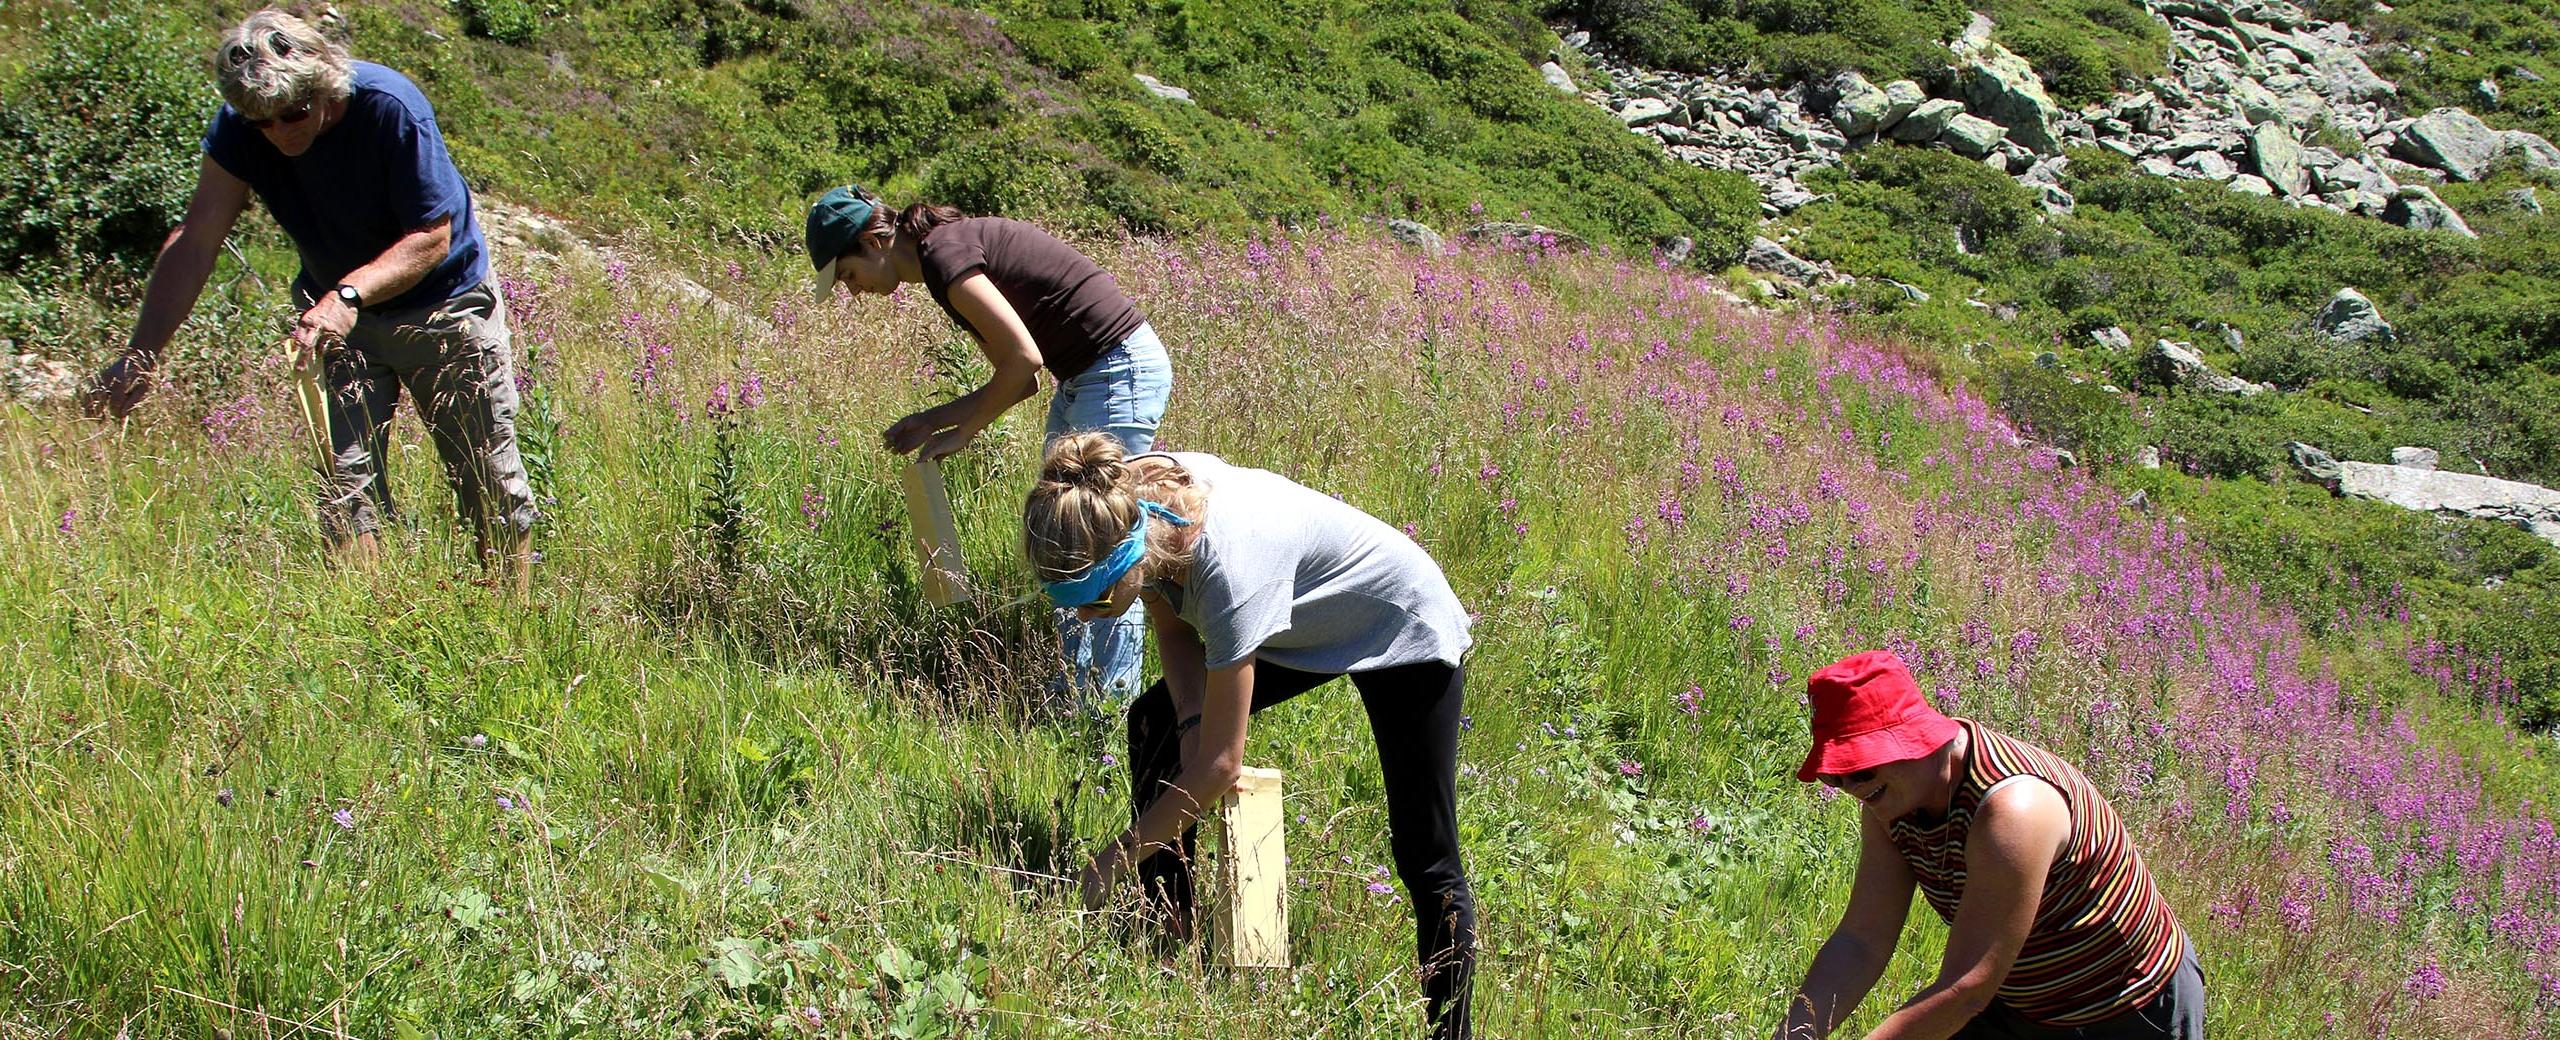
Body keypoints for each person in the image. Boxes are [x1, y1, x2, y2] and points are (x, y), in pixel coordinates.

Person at [1022, 433, 1477, 1040]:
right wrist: (1187, 722)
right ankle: (1169, 934)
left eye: (1096, 601)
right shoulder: (1118, 498)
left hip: (1404, 626)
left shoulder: (1230, 569)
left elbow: (1219, 766)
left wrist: (1112, 861)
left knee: (1427, 856)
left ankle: (1451, 1031)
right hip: (1306, 614)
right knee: (1154, 722)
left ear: (1129, 555)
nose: (1084, 617)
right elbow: (1172, 625)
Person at [84, 8, 534, 590]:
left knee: (487, 481)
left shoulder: (389, 108)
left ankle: (510, 631)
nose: (279, 131)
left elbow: (432, 237)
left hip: (443, 310)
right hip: (337, 323)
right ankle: (372, 637)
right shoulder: (243, 126)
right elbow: (197, 240)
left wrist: (348, 293)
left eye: (293, 113)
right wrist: (140, 356)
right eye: (261, 123)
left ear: (325, 84)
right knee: (345, 494)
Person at [806, 186, 1172, 708]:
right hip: (1085, 378)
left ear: (871, 241)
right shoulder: (941, 262)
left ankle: (1109, 704)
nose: (853, 291)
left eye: (847, 275)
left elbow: (1023, 360)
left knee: (1100, 540)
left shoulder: (944, 254)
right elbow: (1019, 379)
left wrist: (965, 429)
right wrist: (930, 422)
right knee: (1063, 534)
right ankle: (1077, 688)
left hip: (1116, 372)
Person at [1775, 650, 2204, 1040]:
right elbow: (1861, 940)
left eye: (1860, 770)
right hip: (2017, 1001)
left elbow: (1968, 987)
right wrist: (1796, 1035)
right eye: (1835, 774)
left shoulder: (2013, 808)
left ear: (1913, 740)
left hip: (2124, 1007)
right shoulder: (1889, 799)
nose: (1849, 786)